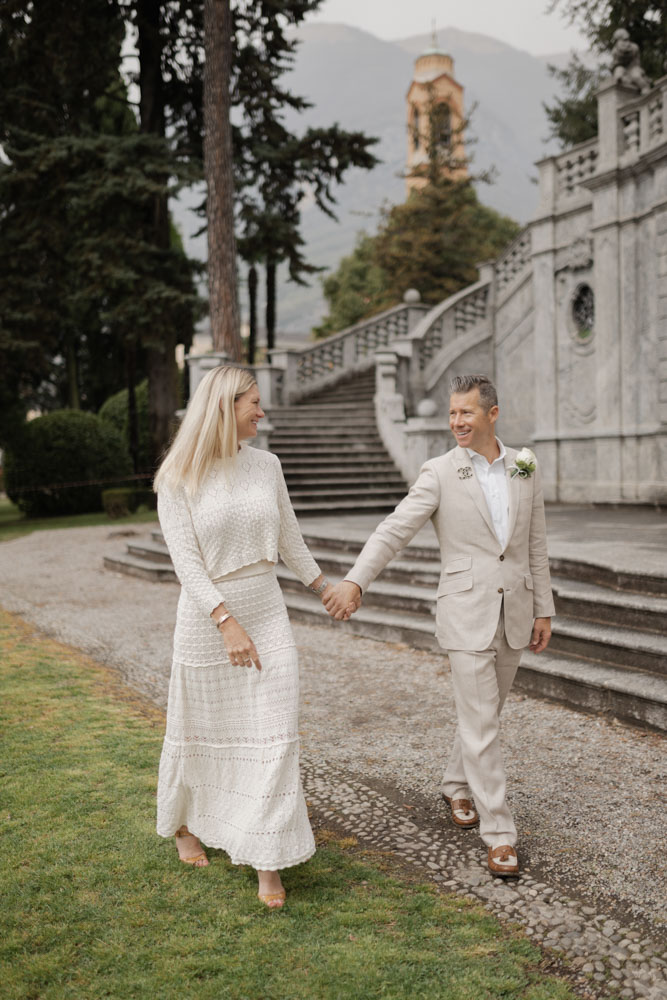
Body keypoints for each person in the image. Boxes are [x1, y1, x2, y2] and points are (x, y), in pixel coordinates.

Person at [324, 374, 554, 877]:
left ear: (492, 414)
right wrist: (356, 581)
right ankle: (500, 835)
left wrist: (544, 607)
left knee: (484, 716)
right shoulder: (439, 472)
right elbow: (394, 529)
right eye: (452, 413)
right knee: (482, 724)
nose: (456, 422)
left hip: (515, 611)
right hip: (466, 614)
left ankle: (455, 784)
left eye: (466, 413)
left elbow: (534, 543)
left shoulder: (524, 466)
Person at [153, 365, 333, 908]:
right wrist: (226, 621)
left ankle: (266, 857)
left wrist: (327, 587)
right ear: (225, 407)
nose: (262, 411)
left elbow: (289, 539)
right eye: (254, 402)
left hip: (268, 607)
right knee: (200, 728)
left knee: (275, 732)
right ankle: (186, 825)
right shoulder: (178, 476)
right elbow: (186, 562)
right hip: (209, 618)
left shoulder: (267, 465)